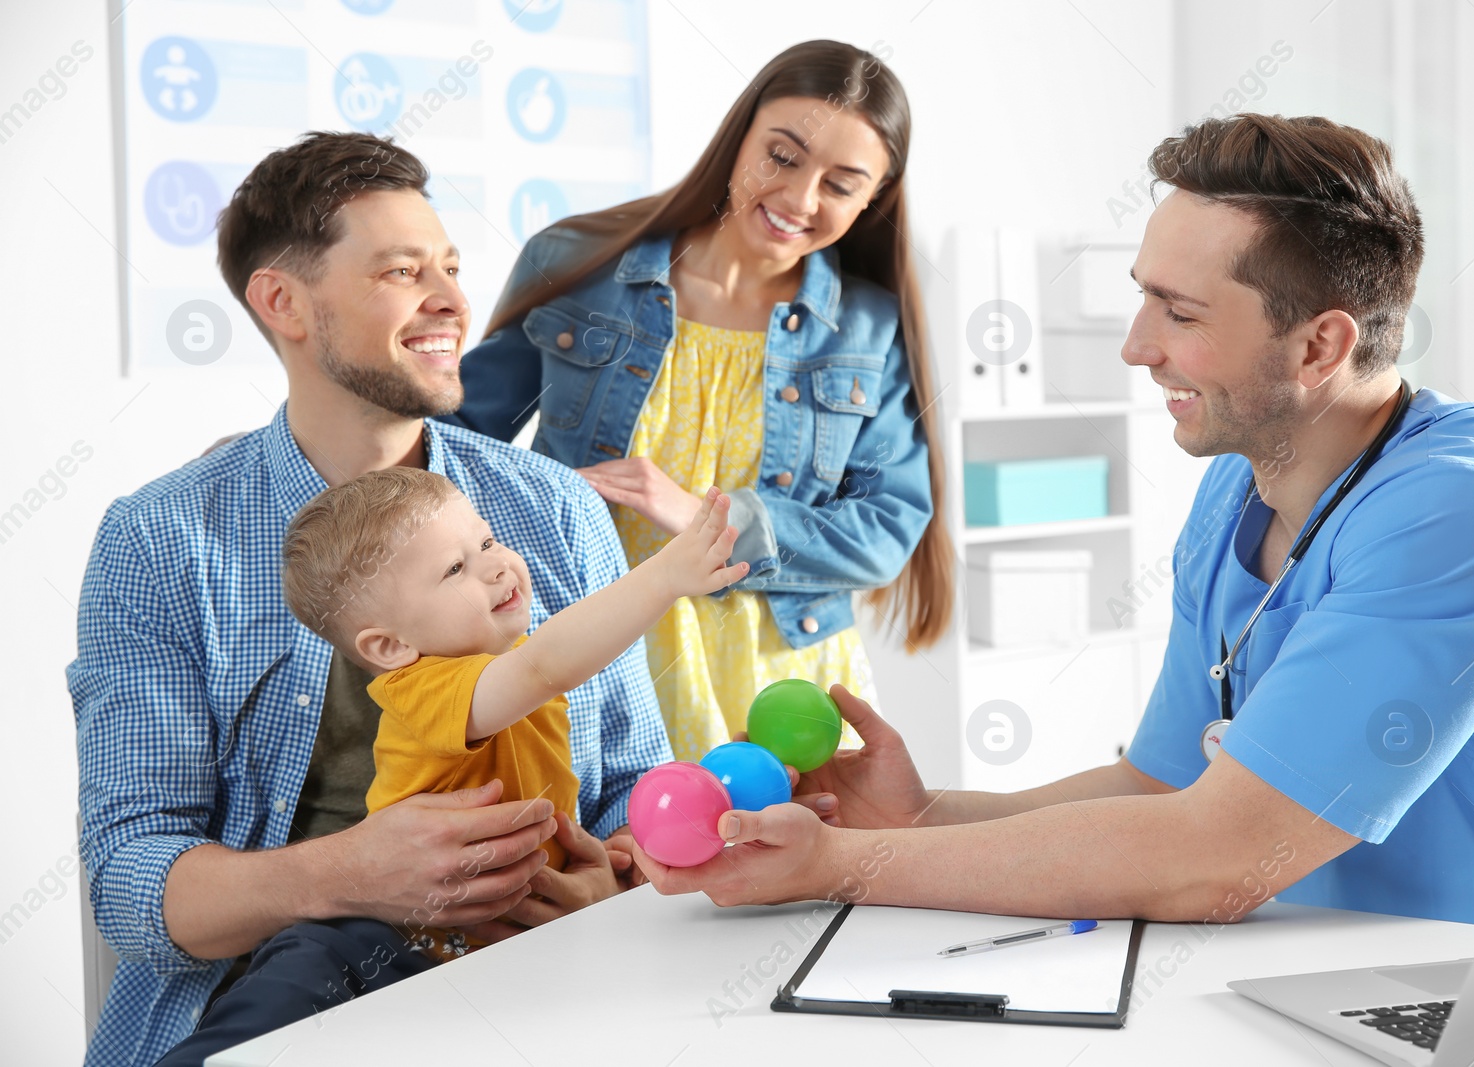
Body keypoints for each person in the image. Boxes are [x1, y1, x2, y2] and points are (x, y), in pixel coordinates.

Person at [634, 114, 1474, 929]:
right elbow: (1163, 787)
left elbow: (1217, 860)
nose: (1138, 348)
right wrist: (918, 819)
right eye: (1143, 298)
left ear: (1321, 346)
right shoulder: (1242, 484)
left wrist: (842, 866)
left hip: (1471, 1007)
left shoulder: (1468, 515)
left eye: (1179, 313)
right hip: (1306, 986)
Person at [68, 131, 673, 1067]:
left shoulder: (551, 508)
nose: (453, 302)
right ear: (283, 302)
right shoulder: (162, 540)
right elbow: (132, 876)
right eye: (401, 271)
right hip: (285, 999)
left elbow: (636, 782)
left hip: (539, 993)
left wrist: (615, 889)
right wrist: (344, 874)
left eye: (451, 267)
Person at [448, 40, 955, 762]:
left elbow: (887, 528)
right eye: (782, 157)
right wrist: (543, 499)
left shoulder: (867, 326)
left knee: (785, 869)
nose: (798, 200)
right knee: (604, 871)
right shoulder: (576, 262)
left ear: (874, 199)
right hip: (589, 654)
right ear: (738, 136)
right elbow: (458, 439)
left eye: (841, 185)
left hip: (781, 686)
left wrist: (708, 520)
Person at [280, 469, 744, 957]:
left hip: (527, 937)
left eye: (486, 542)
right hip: (408, 952)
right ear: (391, 646)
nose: (497, 567)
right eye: (454, 570)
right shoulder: (420, 690)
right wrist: (664, 576)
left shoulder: (511, 664)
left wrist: (616, 861)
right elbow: (546, 664)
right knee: (300, 971)